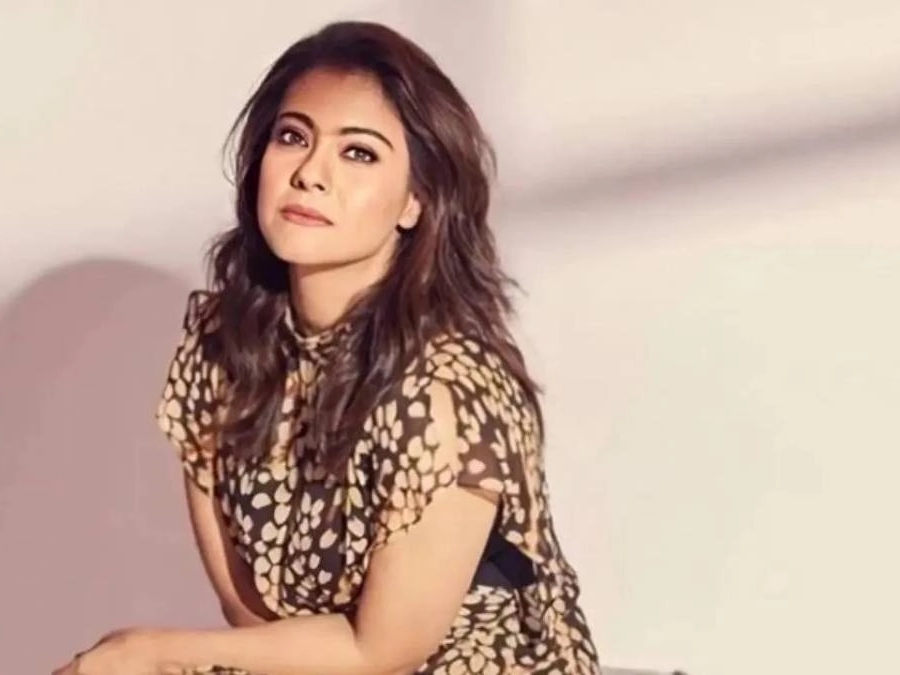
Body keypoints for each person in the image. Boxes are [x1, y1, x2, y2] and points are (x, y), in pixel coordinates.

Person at [55, 20, 600, 675]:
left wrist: (153, 647)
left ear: (416, 202)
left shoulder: (444, 387)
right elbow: (248, 607)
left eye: (359, 153)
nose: (311, 173)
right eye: (293, 137)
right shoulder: (219, 349)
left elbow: (384, 651)